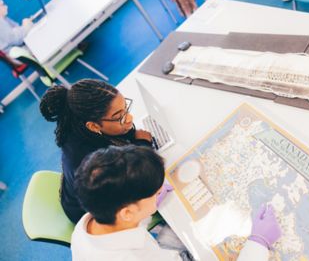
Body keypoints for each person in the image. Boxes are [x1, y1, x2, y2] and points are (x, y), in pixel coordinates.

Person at [71, 145, 282, 261]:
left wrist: (148, 203)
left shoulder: (91, 223)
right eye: (154, 193)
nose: (158, 193)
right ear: (127, 212)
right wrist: (258, 243)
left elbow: (126, 223)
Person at [40, 79, 153, 223]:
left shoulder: (80, 124)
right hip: (94, 213)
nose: (129, 118)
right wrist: (143, 144)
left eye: (125, 108)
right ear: (93, 126)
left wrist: (129, 132)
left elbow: (120, 134)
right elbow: (136, 181)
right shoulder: (93, 165)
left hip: (78, 193)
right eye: (119, 116)